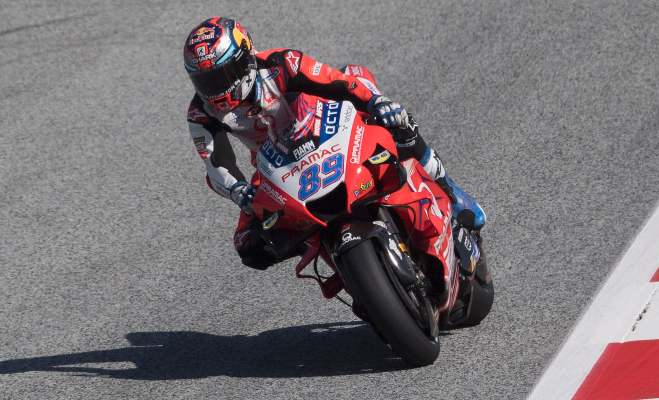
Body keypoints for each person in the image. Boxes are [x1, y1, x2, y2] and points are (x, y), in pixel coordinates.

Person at [184, 17, 486, 269]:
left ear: (244, 60)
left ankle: (450, 189)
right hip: (276, 164)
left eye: (222, 76)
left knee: (397, 123)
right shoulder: (201, 113)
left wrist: (377, 102)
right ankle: (332, 255)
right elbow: (216, 165)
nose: (216, 90)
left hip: (326, 127)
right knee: (248, 247)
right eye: (206, 82)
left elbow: (337, 83)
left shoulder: (281, 63)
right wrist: (239, 190)